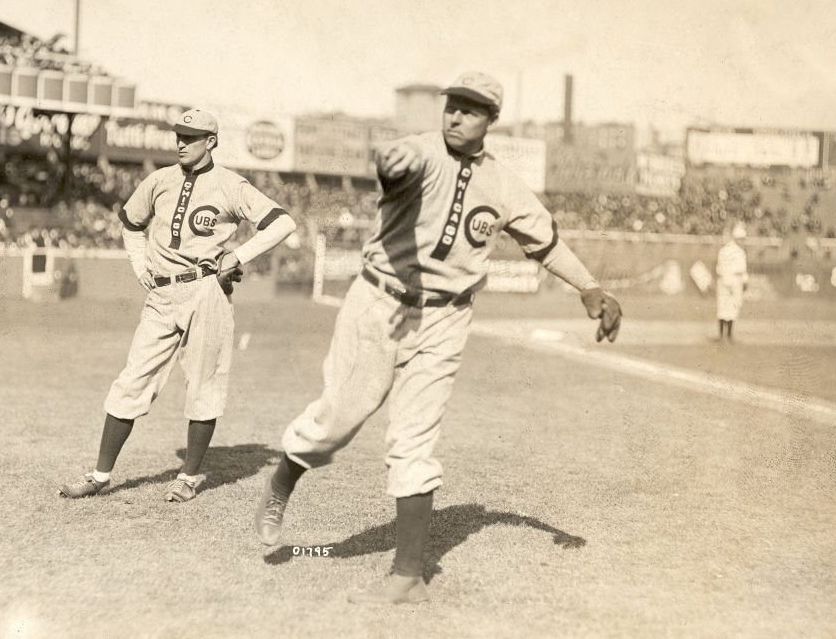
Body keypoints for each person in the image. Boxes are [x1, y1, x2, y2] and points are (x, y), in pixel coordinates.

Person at [253, 71, 623, 605]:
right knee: (336, 422)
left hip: (446, 318)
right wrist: (389, 163)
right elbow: (393, 163)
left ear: (491, 121)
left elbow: (545, 243)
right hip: (380, 302)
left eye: (471, 110)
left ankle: (407, 576)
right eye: (452, 105)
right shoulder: (421, 153)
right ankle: (282, 481)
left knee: (415, 442)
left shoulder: (504, 184)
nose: (455, 116)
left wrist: (590, 287)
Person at [60, 109, 297, 502]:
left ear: (212, 141)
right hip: (162, 295)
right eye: (179, 136)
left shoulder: (230, 185)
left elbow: (282, 223)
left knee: (204, 384)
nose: (182, 143)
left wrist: (237, 257)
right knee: (132, 380)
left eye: (192, 136)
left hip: (206, 292)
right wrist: (141, 269)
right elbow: (131, 225)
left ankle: (187, 478)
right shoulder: (158, 180)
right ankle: (99, 475)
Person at [716, 221, 749, 341]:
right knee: (724, 308)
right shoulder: (726, 251)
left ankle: (728, 335)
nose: (742, 241)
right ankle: (722, 335)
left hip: (734, 281)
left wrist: (744, 281)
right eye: (740, 239)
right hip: (728, 280)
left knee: (732, 308)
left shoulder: (740, 251)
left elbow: (743, 270)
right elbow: (722, 268)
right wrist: (727, 282)